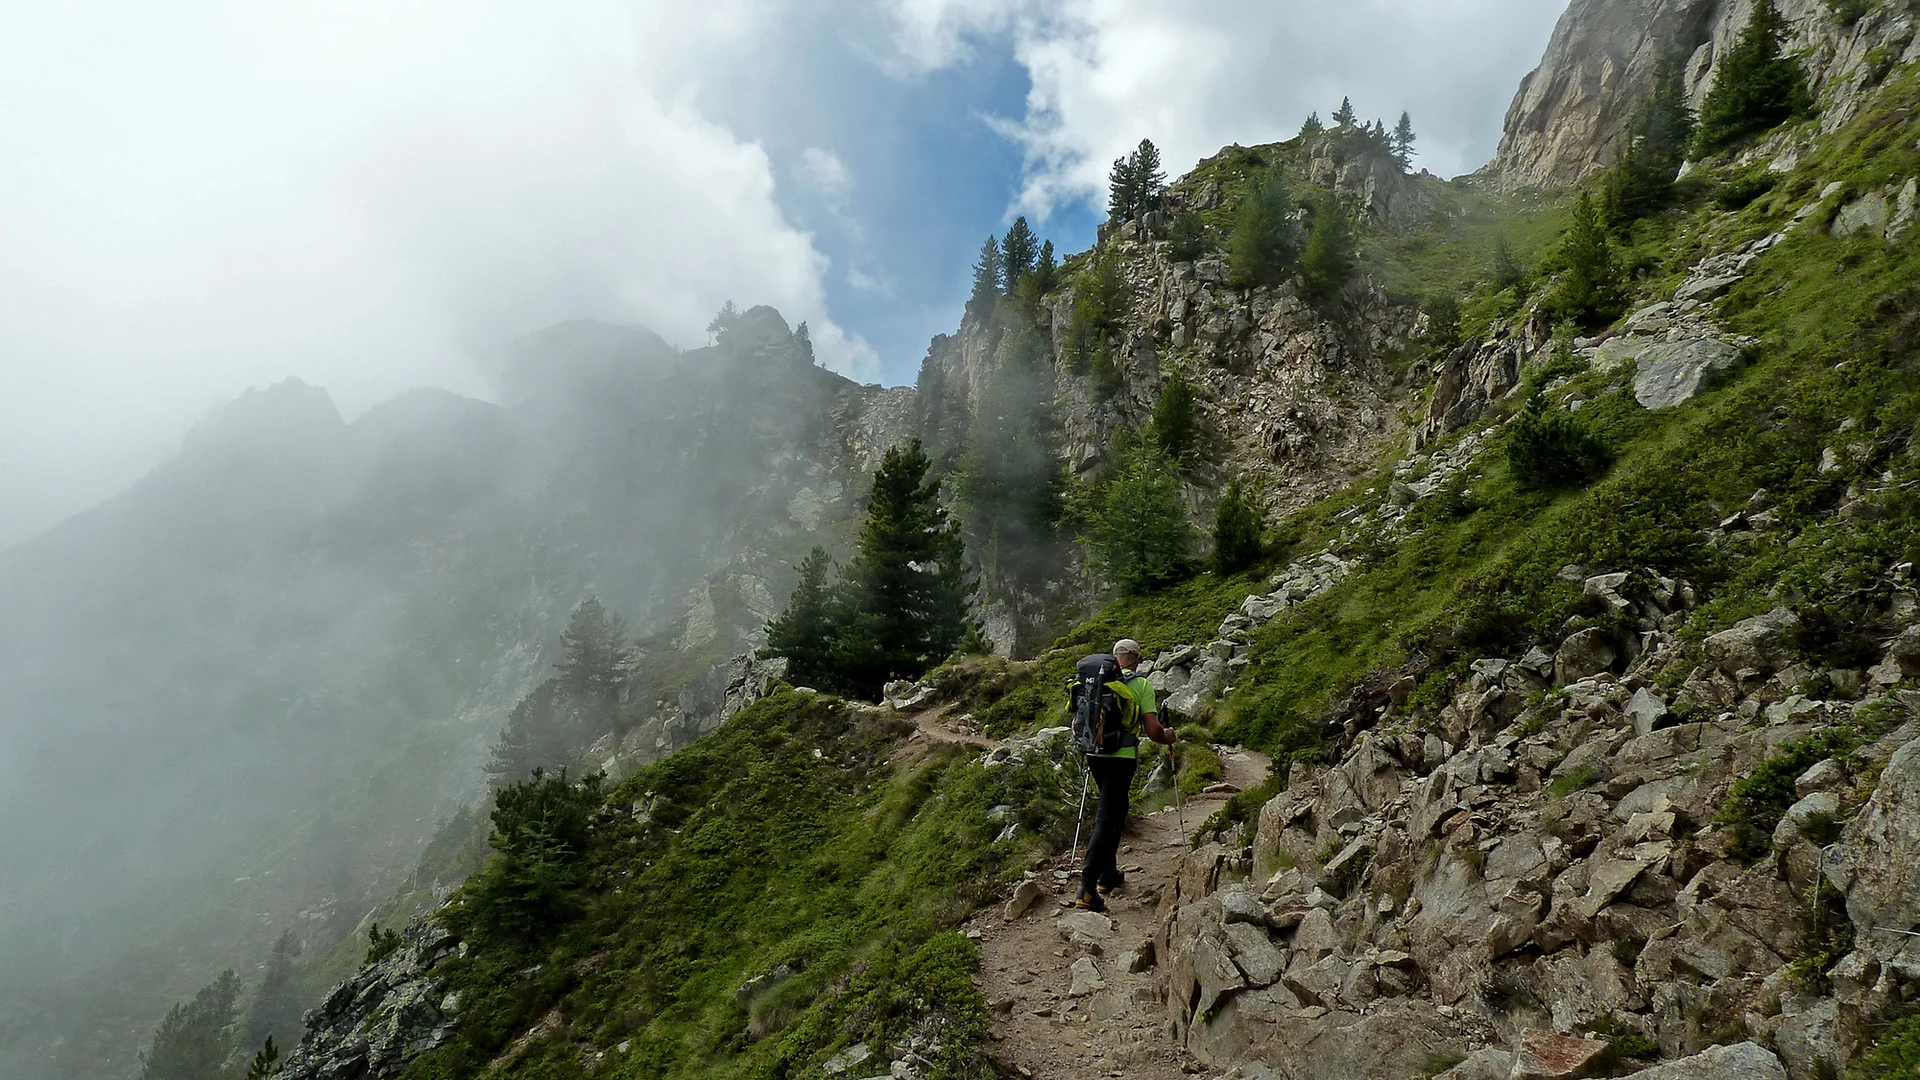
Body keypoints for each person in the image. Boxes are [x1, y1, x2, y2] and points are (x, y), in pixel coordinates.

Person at [1077, 638, 1175, 912]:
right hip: (1121, 758)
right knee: (1108, 818)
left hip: (1094, 754)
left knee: (1115, 813)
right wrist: (1169, 736)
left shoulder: (1095, 682)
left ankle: (1108, 875)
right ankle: (1086, 888)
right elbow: (1153, 730)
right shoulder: (1140, 685)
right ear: (1135, 659)